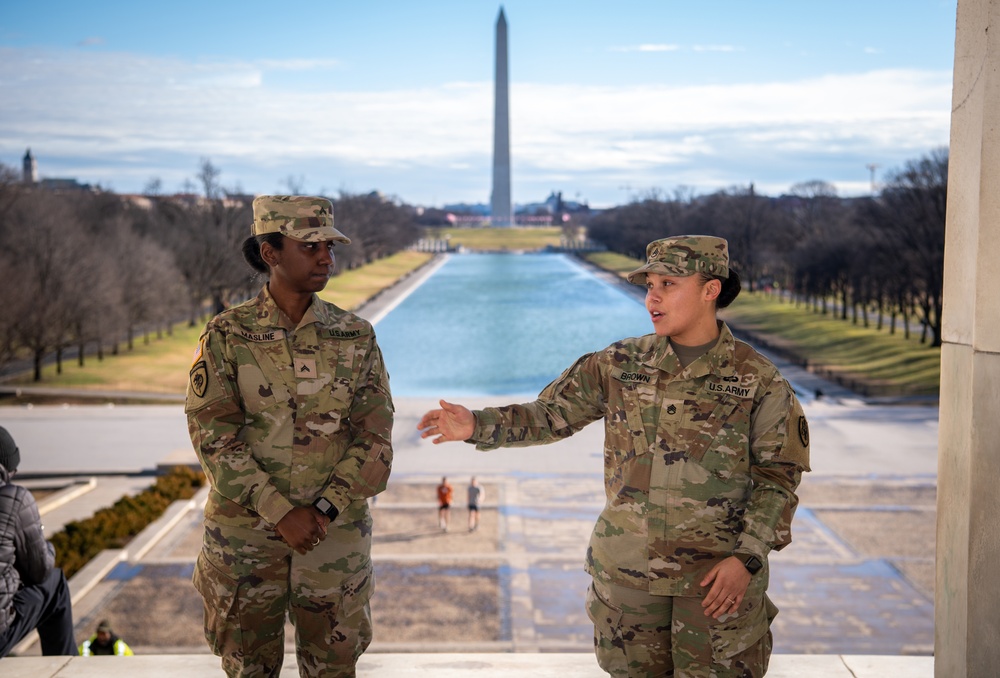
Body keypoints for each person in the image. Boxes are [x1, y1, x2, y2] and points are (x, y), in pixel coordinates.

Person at [418, 235, 810, 677]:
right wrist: (476, 424)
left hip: (716, 584)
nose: (652, 297)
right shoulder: (619, 362)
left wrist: (748, 558)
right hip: (628, 582)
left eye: (668, 283)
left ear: (710, 289)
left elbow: (778, 478)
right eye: (649, 284)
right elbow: (550, 416)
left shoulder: (759, 380)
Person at [186, 195, 394, 678]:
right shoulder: (227, 335)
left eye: (329, 246)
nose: (326, 257)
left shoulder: (355, 335)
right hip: (245, 544)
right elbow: (212, 436)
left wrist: (321, 511)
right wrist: (280, 512)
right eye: (310, 246)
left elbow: (376, 436)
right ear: (270, 253)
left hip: (333, 540)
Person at [0, 426, 76, 658]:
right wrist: (49, 548)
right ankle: (65, 669)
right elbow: (40, 570)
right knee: (55, 584)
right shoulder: (14, 499)